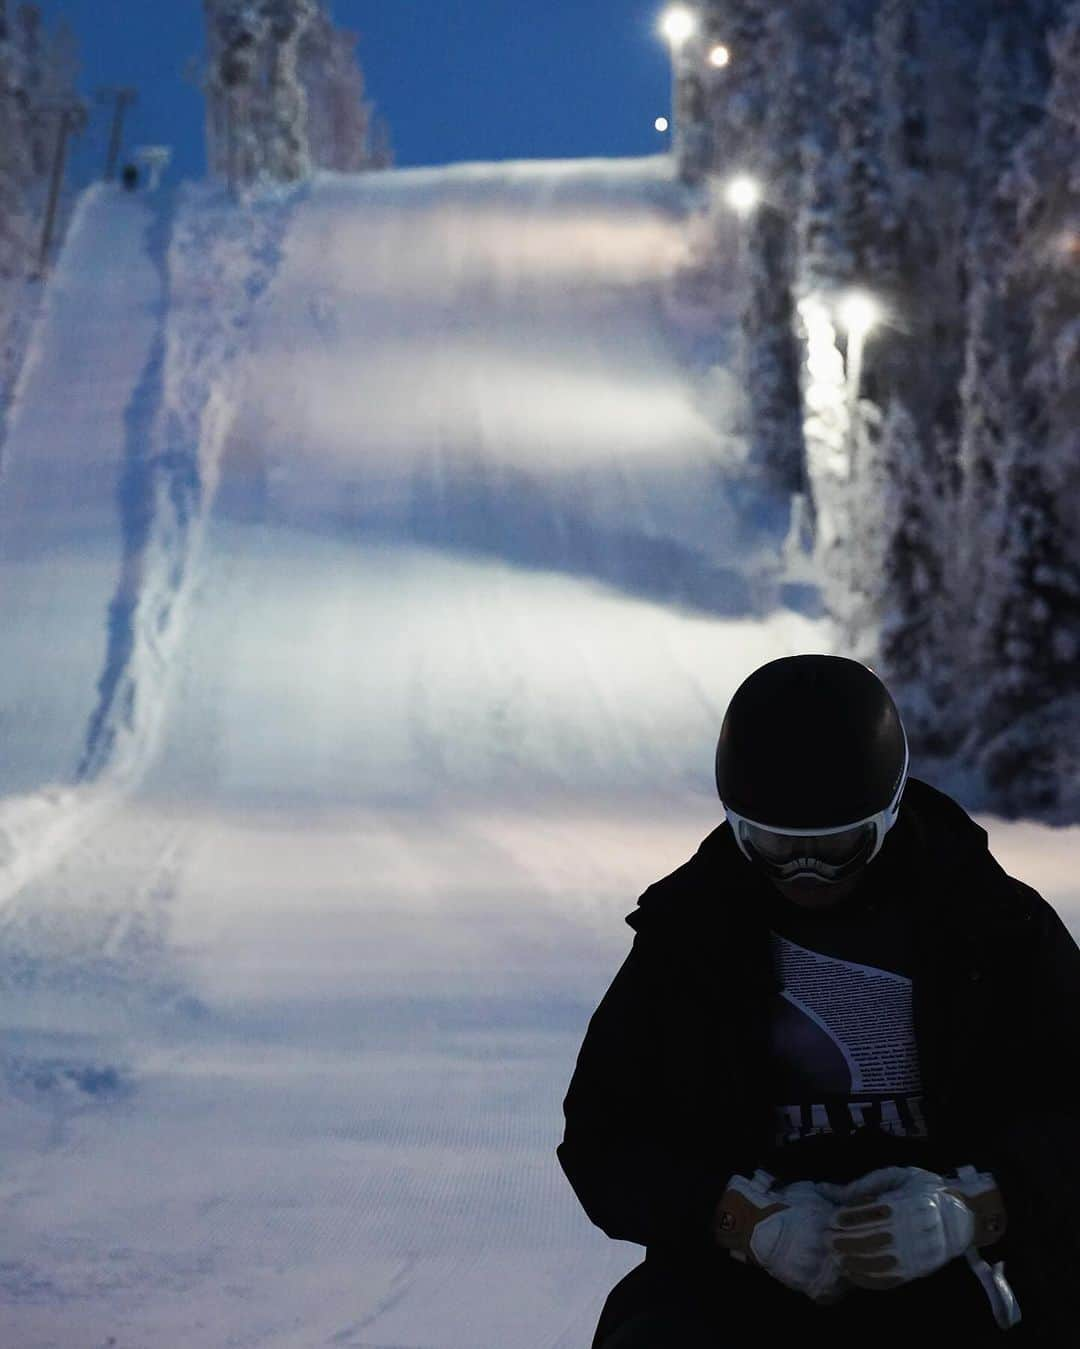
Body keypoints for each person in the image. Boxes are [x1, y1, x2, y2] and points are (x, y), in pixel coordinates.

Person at [557, 655, 1080, 1347]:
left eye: (838, 846)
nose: (806, 874)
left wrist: (976, 1204)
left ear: (888, 813)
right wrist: (741, 1217)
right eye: (773, 845)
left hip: (963, 1272)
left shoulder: (991, 924)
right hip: (745, 1279)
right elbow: (604, 1137)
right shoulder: (689, 936)